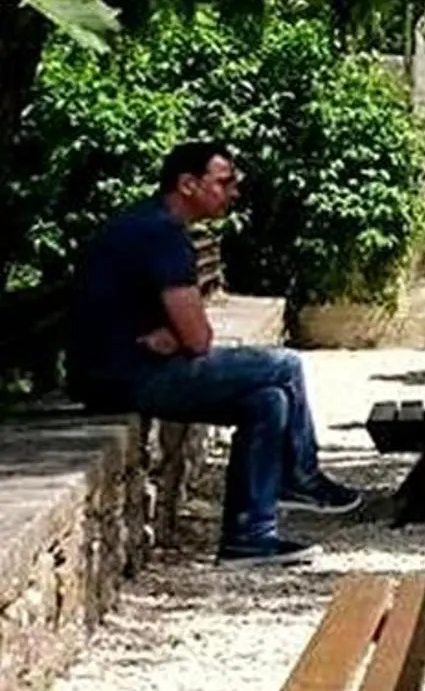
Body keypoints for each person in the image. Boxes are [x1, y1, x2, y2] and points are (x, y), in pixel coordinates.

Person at [68, 142, 361, 566]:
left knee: (269, 401)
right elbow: (199, 340)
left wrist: (172, 334)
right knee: (285, 364)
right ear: (187, 184)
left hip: (110, 372)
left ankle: (249, 538)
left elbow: (181, 335)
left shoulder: (149, 225)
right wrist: (178, 335)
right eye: (224, 182)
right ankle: (300, 477)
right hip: (128, 376)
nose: (234, 192)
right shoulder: (163, 235)